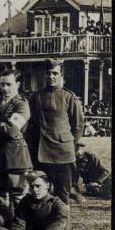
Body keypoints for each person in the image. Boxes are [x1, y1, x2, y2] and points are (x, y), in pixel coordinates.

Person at [27, 59, 85, 204]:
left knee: (62, 195)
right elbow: (31, 123)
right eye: (48, 73)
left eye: (55, 73)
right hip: (41, 152)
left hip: (63, 154)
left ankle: (63, 225)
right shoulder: (36, 97)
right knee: (40, 193)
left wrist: (70, 144)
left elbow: (78, 125)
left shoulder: (69, 97)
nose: (51, 76)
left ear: (61, 76)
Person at [0, 69, 33, 207]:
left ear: (18, 84)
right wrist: (2, 124)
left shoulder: (22, 104)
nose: (5, 88)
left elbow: (11, 130)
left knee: (18, 198)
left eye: (9, 84)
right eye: (2, 85)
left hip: (15, 158)